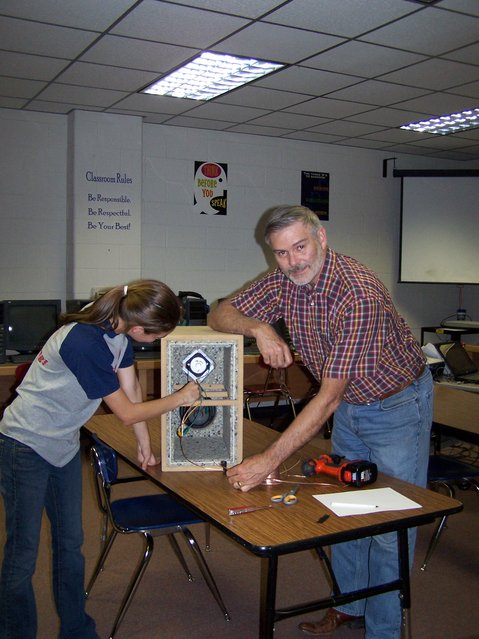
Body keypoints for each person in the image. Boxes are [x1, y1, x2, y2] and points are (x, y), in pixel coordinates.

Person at [208, 205, 432, 639]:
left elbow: (327, 397)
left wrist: (269, 459)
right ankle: (350, 607)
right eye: (282, 253)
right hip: (350, 404)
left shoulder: (357, 292)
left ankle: (383, 631)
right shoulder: (285, 280)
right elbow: (220, 313)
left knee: (389, 524)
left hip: (397, 406)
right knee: (343, 510)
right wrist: (260, 328)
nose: (294, 261)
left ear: (321, 238)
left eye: (300, 246)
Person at [0, 280, 200, 639]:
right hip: (23, 445)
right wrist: (179, 397)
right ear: (139, 327)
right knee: (23, 553)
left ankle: (77, 631)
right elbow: (124, 411)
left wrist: (145, 445)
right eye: (158, 336)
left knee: (70, 545)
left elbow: (132, 388)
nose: (157, 341)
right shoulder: (84, 341)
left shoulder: (118, 337)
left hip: (61, 445)